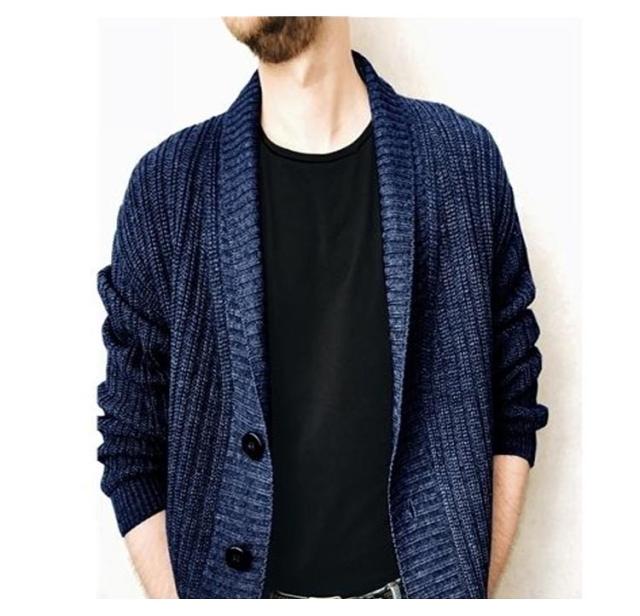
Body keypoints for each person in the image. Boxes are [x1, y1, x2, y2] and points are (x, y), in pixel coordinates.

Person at [96, 16, 549, 599]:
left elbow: (512, 398)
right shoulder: (166, 188)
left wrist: (462, 589)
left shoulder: (461, 163)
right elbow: (133, 439)